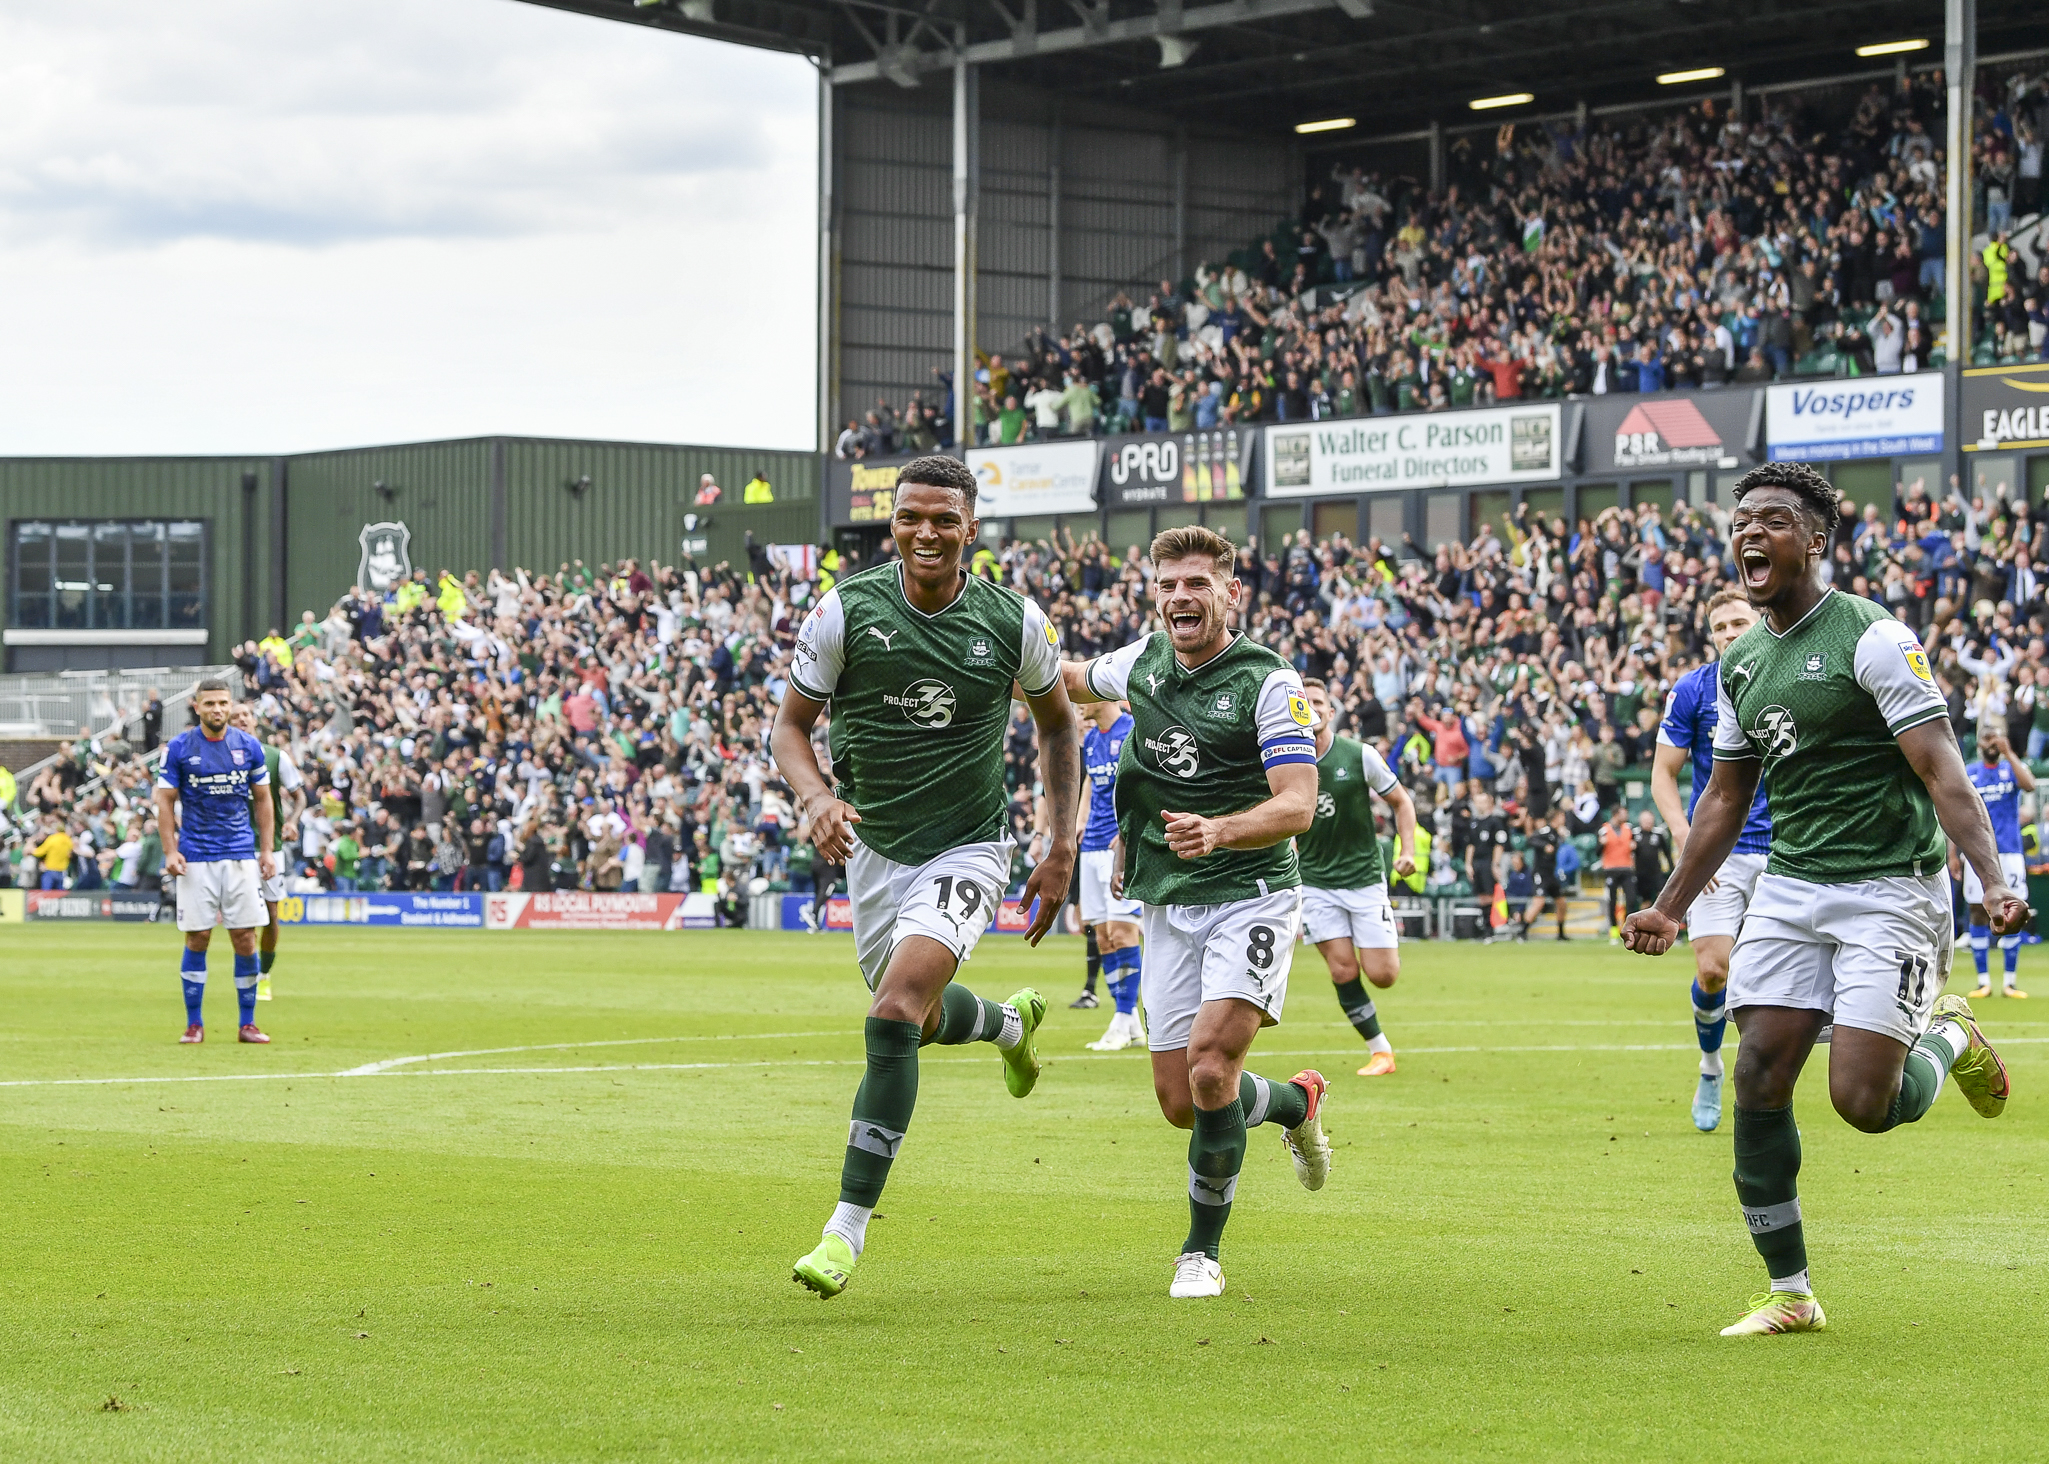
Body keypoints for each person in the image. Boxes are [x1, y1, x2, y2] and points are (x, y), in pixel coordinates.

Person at [1623, 462, 2020, 1338]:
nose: (1749, 535)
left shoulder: (1871, 637)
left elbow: (1938, 765)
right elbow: (1722, 797)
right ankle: (1790, 1293)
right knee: (1759, 1074)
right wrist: (1670, 904)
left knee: (1862, 1105)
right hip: (1792, 886)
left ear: (1815, 540)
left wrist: (1990, 875)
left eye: (1771, 520)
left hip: (1889, 888)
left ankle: (1947, 1034)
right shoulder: (1740, 663)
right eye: (1740, 524)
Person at [773, 454, 1081, 1300]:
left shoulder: (1013, 621)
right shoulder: (846, 609)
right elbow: (790, 727)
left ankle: (844, 1233)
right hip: (872, 848)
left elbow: (1059, 728)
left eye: (944, 518)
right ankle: (1006, 1027)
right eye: (912, 516)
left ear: (971, 528)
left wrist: (1059, 844)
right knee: (912, 1015)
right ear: (893, 523)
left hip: (968, 847)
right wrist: (814, 797)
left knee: (893, 1009)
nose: (927, 532)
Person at [1063, 524, 1331, 1300]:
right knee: (1183, 1101)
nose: (1182, 597)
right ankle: (1293, 1101)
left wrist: (1219, 831)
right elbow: (1070, 677)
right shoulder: (1140, 661)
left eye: (1197, 584)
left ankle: (1199, 1253)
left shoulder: (1268, 683)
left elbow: (1297, 806)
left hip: (1251, 895)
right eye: (1168, 584)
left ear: (1229, 593)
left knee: (1212, 1068)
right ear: (1154, 593)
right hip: (1167, 901)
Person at [1651, 587, 1774, 1132]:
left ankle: (1766, 1084)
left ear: (1759, 621)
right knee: (1713, 968)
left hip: (1784, 852)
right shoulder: (1692, 690)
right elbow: (1663, 774)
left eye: (1739, 623)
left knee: (1770, 981)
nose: (1730, 633)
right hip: (1719, 852)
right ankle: (1709, 1065)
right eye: (1721, 625)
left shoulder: (1789, 678)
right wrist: (1685, 836)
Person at [1295, 677, 1417, 1076]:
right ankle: (1381, 1051)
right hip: (1315, 883)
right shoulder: (1283, 763)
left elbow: (1402, 802)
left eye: (1318, 701)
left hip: (1364, 878)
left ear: (1331, 712)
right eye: (1303, 701)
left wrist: (1409, 851)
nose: (1311, 707)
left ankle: (1382, 1049)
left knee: (1383, 975)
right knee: (1343, 970)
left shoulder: (1359, 755)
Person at [154, 680, 277, 1045]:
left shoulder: (248, 746)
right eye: (210, 704)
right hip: (196, 856)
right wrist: (170, 850)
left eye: (223, 703)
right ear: (196, 706)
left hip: (239, 854)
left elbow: (263, 800)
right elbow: (164, 801)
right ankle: (194, 1024)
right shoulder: (178, 748)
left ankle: (248, 1024)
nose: (218, 710)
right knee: (198, 937)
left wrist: (266, 850)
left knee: (244, 938)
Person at [1074, 698, 1146, 1050]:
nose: (1077, 703)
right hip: (1092, 846)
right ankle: (1131, 1023)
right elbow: (1090, 781)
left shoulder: (1132, 730)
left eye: (1083, 697)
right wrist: (1080, 820)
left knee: (1123, 931)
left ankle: (1120, 1018)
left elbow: (1146, 782)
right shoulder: (1091, 739)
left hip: (1121, 847)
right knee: (1103, 936)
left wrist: (1133, 830)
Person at [230, 702, 304, 1002]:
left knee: (272, 914)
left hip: (269, 846)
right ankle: (246, 973)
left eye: (245, 715)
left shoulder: (275, 756)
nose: (241, 720)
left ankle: (264, 975)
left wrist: (293, 821)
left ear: (254, 721)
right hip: (232, 845)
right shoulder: (219, 758)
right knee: (241, 918)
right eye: (235, 717)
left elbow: (300, 796)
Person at [1956, 724, 2033, 999]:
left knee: (2014, 912)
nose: (1992, 742)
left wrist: (2009, 753)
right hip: (1976, 853)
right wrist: (1953, 853)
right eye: (1987, 738)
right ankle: (1983, 982)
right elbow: (1956, 813)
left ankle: (2009, 982)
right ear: (1979, 744)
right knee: (1977, 911)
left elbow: (2030, 785)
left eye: (1996, 737)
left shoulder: (2011, 768)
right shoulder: (1970, 772)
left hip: (2010, 853)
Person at [1598, 805, 1635, 939]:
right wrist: (1601, 844)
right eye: (1623, 814)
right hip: (1611, 869)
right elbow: (1597, 852)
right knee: (1612, 901)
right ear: (1615, 814)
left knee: (1631, 898)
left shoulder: (1629, 828)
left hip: (1626, 868)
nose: (1625, 816)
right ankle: (1613, 930)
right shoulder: (1604, 830)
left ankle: (1626, 927)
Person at [30, 816, 72, 890]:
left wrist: (32, 849)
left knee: (47, 891)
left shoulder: (52, 839)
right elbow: (69, 854)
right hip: (62, 870)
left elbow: (40, 851)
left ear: (56, 830)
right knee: (59, 892)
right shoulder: (68, 840)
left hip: (51, 868)